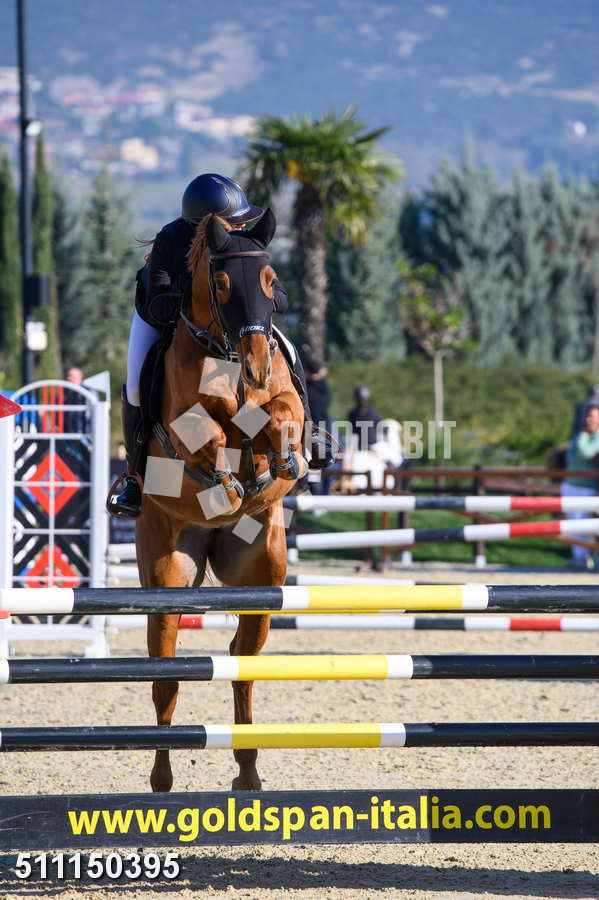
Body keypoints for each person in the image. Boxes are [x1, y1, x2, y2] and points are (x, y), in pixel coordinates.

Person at [108, 173, 333, 518]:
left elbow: (280, 297)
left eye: (242, 221)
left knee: (287, 348)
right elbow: (157, 305)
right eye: (234, 221)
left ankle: (311, 432)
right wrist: (200, 296)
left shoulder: (243, 242)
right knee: (137, 385)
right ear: (206, 223)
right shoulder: (172, 239)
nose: (240, 227)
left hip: (232, 325)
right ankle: (135, 476)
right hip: (164, 320)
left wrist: (256, 296)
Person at [562, 403, 599, 569]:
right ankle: (580, 557)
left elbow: (585, 453)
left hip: (587, 487)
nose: (589, 420)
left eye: (593, 416)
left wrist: (583, 436)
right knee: (572, 524)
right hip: (571, 484)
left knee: (580, 524)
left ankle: (582, 558)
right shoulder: (580, 435)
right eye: (588, 416)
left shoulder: (586, 435)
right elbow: (571, 456)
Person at [347, 385, 381, 452]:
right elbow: (352, 433)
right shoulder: (352, 414)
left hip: (375, 446)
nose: (362, 401)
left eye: (364, 399)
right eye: (360, 399)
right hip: (359, 448)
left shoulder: (374, 411)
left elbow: (379, 429)